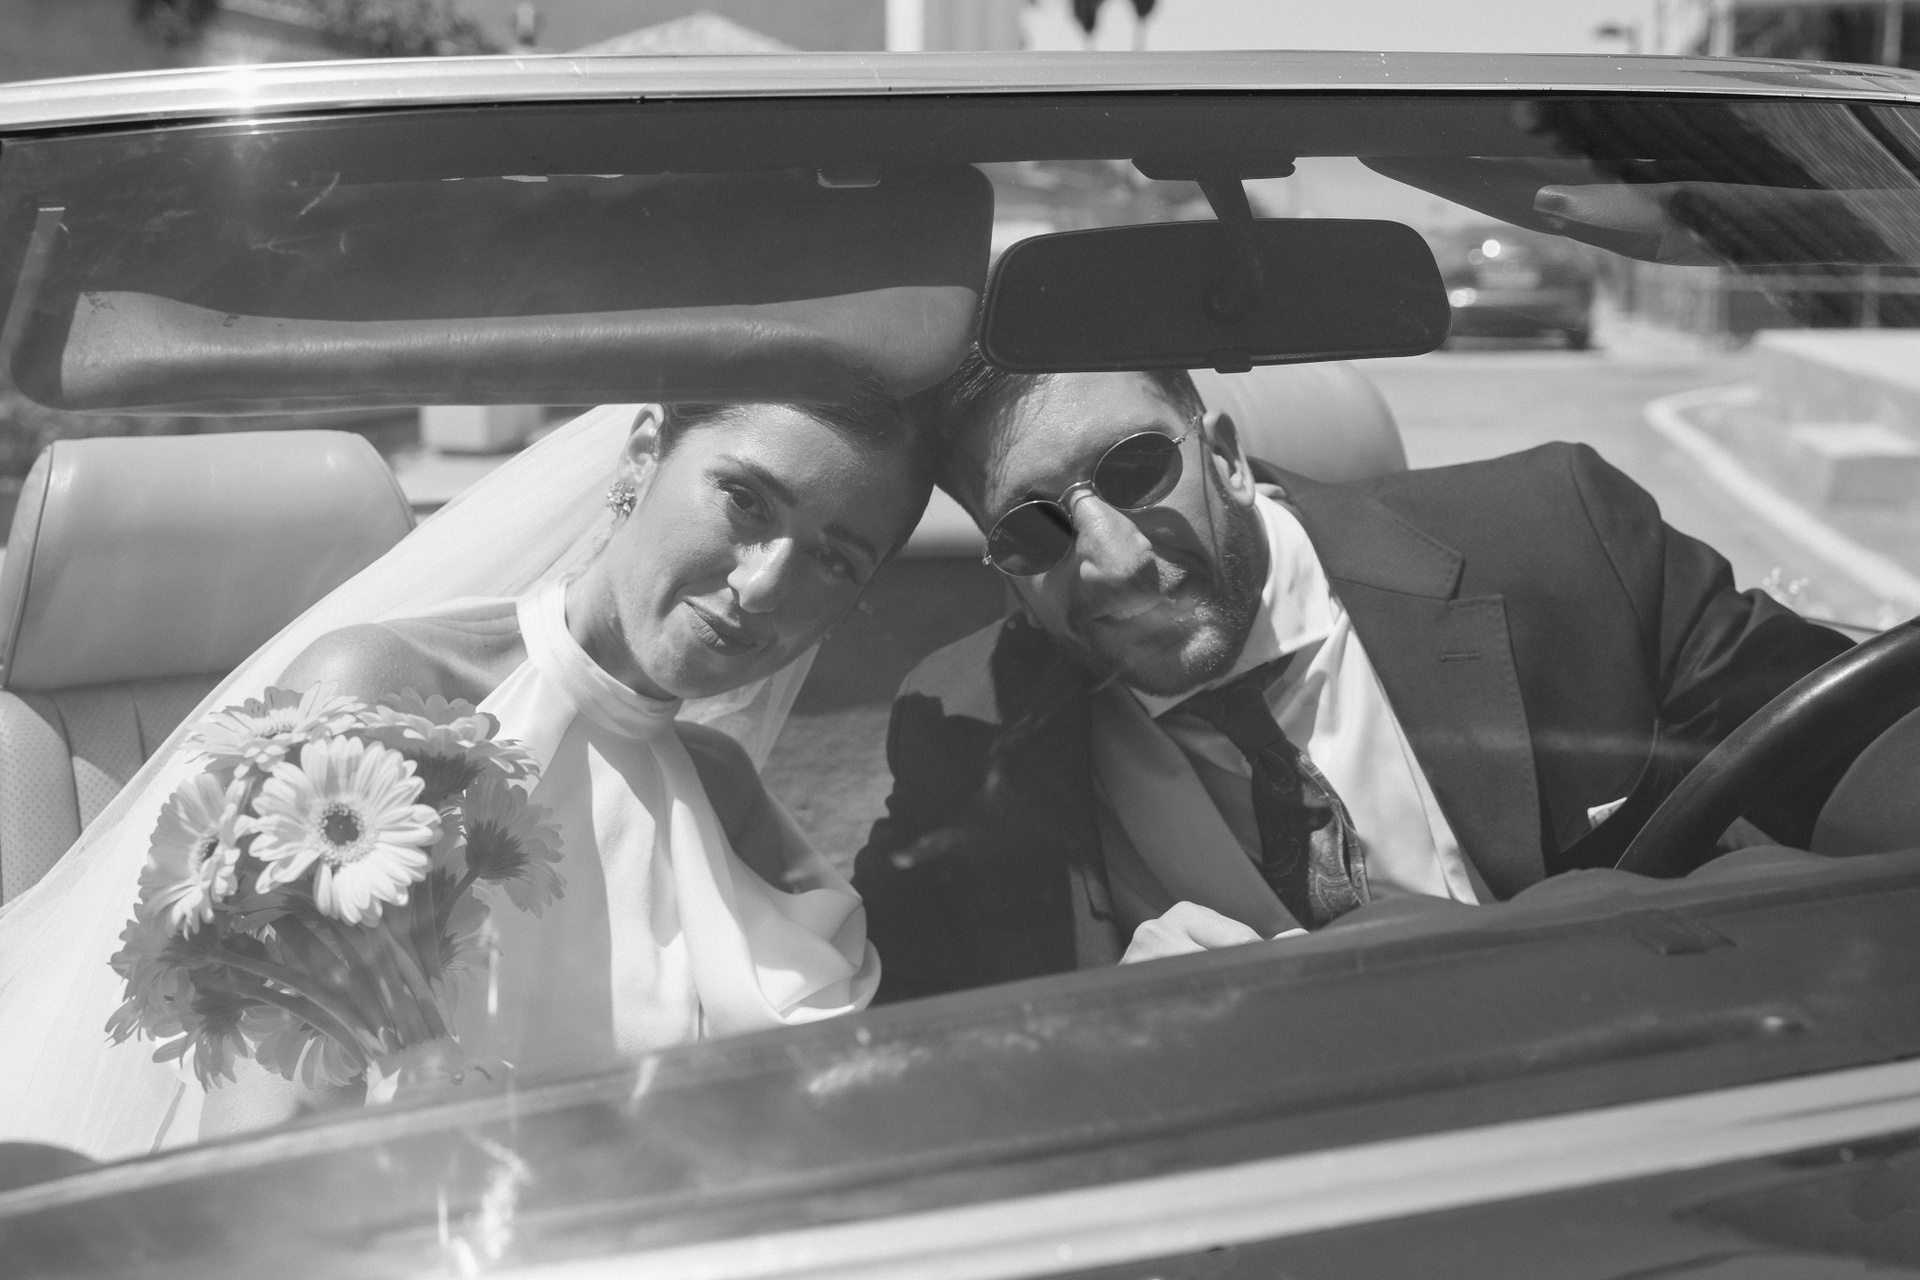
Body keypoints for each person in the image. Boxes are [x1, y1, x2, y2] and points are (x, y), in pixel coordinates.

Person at [0, 395, 933, 1160]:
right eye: (747, 502)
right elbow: (267, 1143)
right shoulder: (377, 696)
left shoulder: (722, 793)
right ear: (645, 452)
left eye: (834, 559)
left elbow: (838, 1100)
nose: (765, 585)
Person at [851, 355, 1853, 1001]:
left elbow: (1860, 754)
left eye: (1133, 470)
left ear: (1226, 456)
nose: (1113, 561)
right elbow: (906, 1041)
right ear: (1001, 567)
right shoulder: (963, 726)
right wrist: (1116, 1020)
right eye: (1033, 528)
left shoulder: (1557, 538)